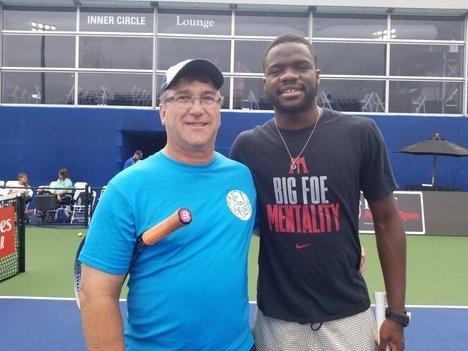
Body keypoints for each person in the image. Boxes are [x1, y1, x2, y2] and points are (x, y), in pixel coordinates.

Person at [230, 33, 407, 351]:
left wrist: (396, 314)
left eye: (301, 66)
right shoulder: (247, 147)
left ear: (317, 75)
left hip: (348, 317)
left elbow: (386, 219)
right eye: (276, 70)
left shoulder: (359, 134)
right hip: (276, 321)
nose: (288, 76)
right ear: (265, 80)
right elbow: (240, 221)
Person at [78, 59, 257, 351]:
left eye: (208, 98)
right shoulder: (126, 188)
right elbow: (96, 293)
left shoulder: (241, 177)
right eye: (183, 97)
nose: (197, 109)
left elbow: (280, 225)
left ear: (219, 111)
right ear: (163, 112)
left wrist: (345, 240)